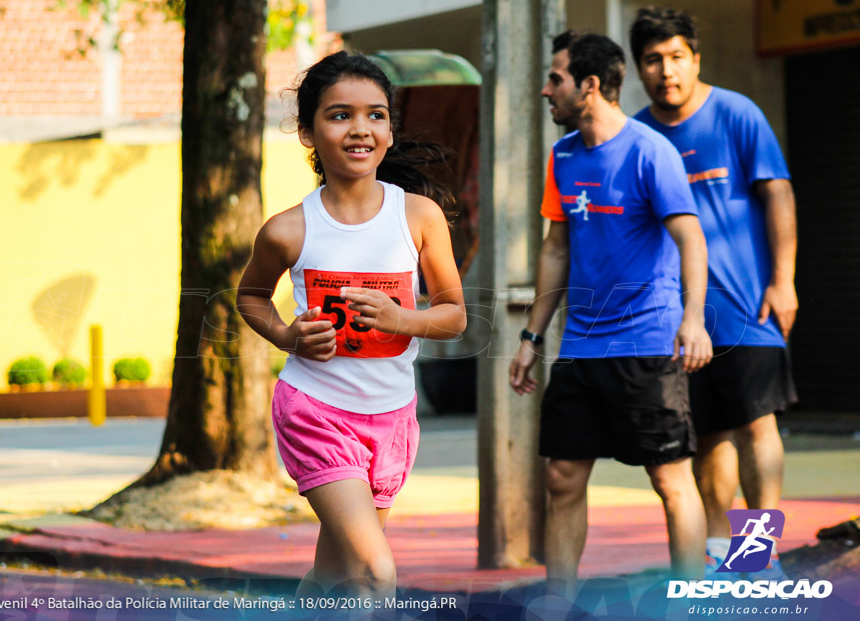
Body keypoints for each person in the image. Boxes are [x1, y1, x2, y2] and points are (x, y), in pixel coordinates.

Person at [236, 51, 467, 599]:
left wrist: (400, 318)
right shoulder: (288, 230)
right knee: (375, 574)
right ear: (308, 132)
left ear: (389, 129)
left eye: (376, 115)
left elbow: (454, 315)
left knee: (337, 574)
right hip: (316, 410)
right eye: (340, 115)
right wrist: (288, 335)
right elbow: (250, 298)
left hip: (390, 419)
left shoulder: (418, 216)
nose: (360, 128)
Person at [509, 31, 712, 591]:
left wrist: (692, 320)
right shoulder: (563, 155)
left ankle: (688, 599)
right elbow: (557, 249)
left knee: (670, 481)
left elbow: (691, 240)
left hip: (647, 344)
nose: (547, 90)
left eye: (556, 79)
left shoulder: (651, 152)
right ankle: (559, 603)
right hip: (580, 348)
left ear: (590, 85)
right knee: (561, 477)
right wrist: (531, 336)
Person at [630, 7, 798, 581]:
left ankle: (759, 557)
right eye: (653, 60)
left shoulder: (736, 114)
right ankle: (722, 553)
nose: (666, 70)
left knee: (757, 425)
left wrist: (784, 280)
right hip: (674, 317)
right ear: (638, 69)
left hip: (749, 305)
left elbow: (778, 195)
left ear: (695, 58)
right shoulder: (637, 136)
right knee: (708, 436)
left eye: (676, 56)